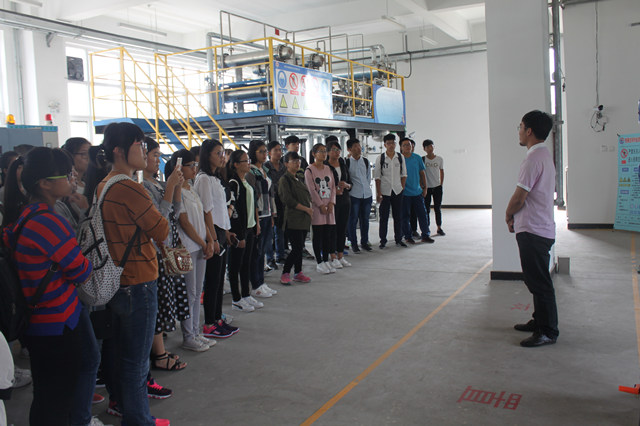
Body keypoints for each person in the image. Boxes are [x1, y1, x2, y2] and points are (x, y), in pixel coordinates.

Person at [2, 147, 97, 426]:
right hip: (55, 324)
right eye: (66, 175)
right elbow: (82, 271)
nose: (72, 178)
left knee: (49, 394)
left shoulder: (28, 214)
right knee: (55, 398)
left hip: (42, 321)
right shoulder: (48, 222)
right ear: (44, 183)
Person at [96, 122, 171, 425]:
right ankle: (138, 419)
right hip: (138, 279)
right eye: (138, 145)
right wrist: (169, 194)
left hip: (117, 279)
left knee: (121, 352)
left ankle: (124, 407)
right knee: (137, 359)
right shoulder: (129, 187)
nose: (143, 150)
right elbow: (161, 229)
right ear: (118, 150)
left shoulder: (104, 184)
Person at [505, 110, 558, 348]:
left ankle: (547, 331)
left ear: (528, 131)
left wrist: (508, 214)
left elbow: (519, 197)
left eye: (520, 126)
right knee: (536, 280)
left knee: (539, 282)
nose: (518, 131)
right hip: (539, 227)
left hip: (534, 230)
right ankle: (539, 322)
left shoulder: (533, 159)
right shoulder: (543, 155)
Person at [141, 138, 190, 364]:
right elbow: (159, 219)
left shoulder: (158, 183)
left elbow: (174, 212)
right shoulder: (142, 186)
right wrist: (170, 187)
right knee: (158, 303)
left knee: (164, 300)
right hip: (156, 248)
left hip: (167, 247)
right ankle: (158, 354)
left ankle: (159, 349)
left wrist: (175, 187)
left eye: (159, 155)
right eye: (154, 155)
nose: (157, 160)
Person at [165, 149, 216, 352]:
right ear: (179, 168)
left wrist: (209, 240)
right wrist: (203, 243)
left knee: (197, 291)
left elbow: (202, 218)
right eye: (190, 165)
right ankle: (188, 335)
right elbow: (184, 222)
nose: (194, 169)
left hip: (200, 245)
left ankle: (196, 331)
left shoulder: (192, 188)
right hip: (188, 247)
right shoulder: (177, 191)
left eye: (195, 165)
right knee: (190, 293)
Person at [194, 140, 238, 339]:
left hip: (220, 232)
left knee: (220, 280)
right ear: (207, 155)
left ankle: (218, 318)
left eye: (223, 153)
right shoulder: (203, 179)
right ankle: (209, 323)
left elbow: (220, 210)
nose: (222, 157)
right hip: (212, 233)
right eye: (218, 153)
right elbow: (206, 212)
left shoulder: (215, 178)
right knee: (212, 281)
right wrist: (212, 239)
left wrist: (226, 233)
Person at [226, 150, 263, 312]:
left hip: (250, 228)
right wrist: (239, 235)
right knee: (235, 265)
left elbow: (252, 205)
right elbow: (234, 212)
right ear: (235, 164)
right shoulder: (233, 183)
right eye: (245, 161)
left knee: (246, 263)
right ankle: (236, 299)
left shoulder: (246, 181)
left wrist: (256, 224)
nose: (248, 163)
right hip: (240, 231)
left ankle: (246, 295)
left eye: (248, 160)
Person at [247, 140, 278, 297]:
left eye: (265, 151)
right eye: (261, 151)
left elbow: (270, 194)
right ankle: (255, 284)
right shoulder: (251, 172)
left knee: (263, 250)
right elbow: (252, 197)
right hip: (258, 215)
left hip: (267, 213)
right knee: (256, 252)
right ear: (253, 153)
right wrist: (257, 219)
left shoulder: (264, 169)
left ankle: (261, 282)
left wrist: (272, 214)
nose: (265, 154)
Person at [278, 151, 313, 285]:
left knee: (300, 247)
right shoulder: (284, 180)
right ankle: (285, 272)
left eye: (298, 161)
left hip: (303, 219)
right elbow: (288, 200)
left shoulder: (298, 177)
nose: (297, 163)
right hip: (293, 220)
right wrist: (306, 209)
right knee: (297, 248)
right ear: (286, 164)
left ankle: (298, 272)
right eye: (294, 161)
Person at [305, 143, 337, 274]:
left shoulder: (328, 169)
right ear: (314, 154)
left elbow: (333, 187)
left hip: (329, 207)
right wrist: (320, 205)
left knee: (327, 235)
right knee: (318, 235)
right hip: (318, 208)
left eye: (325, 151)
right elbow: (311, 190)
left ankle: (326, 260)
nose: (324, 154)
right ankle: (319, 262)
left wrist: (331, 203)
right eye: (320, 151)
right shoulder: (309, 170)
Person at [374, 133, 407, 248]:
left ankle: (399, 239)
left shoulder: (400, 157)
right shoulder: (380, 158)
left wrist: (402, 188)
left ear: (395, 144)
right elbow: (377, 177)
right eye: (388, 143)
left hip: (397, 190)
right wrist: (378, 193)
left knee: (398, 216)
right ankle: (383, 240)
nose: (391, 145)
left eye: (393, 143)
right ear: (385, 145)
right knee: (384, 217)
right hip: (385, 191)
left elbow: (404, 174)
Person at [399, 138, 434, 244]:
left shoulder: (417, 158)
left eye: (409, 144)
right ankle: (408, 236)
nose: (407, 147)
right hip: (404, 193)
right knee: (405, 216)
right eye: (405, 145)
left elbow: (422, 173)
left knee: (423, 214)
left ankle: (425, 235)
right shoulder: (399, 159)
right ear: (401, 147)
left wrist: (425, 188)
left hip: (417, 192)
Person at [325, 137, 352, 268]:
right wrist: (333, 191)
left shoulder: (343, 164)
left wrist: (346, 185)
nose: (337, 152)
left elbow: (350, 182)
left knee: (342, 228)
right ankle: (333, 256)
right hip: (331, 201)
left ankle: (341, 255)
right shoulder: (325, 166)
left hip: (345, 200)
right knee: (332, 229)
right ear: (328, 152)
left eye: (338, 150)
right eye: (334, 150)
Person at [346, 138, 373, 253]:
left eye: (359, 145)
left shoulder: (366, 161)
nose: (358, 148)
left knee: (365, 220)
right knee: (352, 220)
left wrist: (367, 189)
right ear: (349, 149)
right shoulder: (347, 162)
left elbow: (368, 178)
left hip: (367, 195)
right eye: (355, 146)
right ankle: (353, 243)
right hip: (354, 195)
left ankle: (364, 242)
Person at [265, 141, 286, 268]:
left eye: (280, 150)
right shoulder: (265, 167)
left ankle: (280, 256)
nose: (279, 152)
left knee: (280, 231)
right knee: (269, 233)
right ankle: (269, 258)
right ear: (269, 153)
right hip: (269, 201)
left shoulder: (283, 167)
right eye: (276, 150)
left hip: (281, 202)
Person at [422, 139, 445, 236]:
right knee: (426, 209)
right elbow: (421, 173)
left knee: (437, 208)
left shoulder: (439, 159)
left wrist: (441, 184)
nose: (430, 148)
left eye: (431, 146)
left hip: (437, 187)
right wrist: (423, 186)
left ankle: (439, 227)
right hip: (427, 188)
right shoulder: (423, 159)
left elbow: (442, 171)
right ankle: (426, 228)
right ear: (424, 149)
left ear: (434, 147)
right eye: (427, 147)